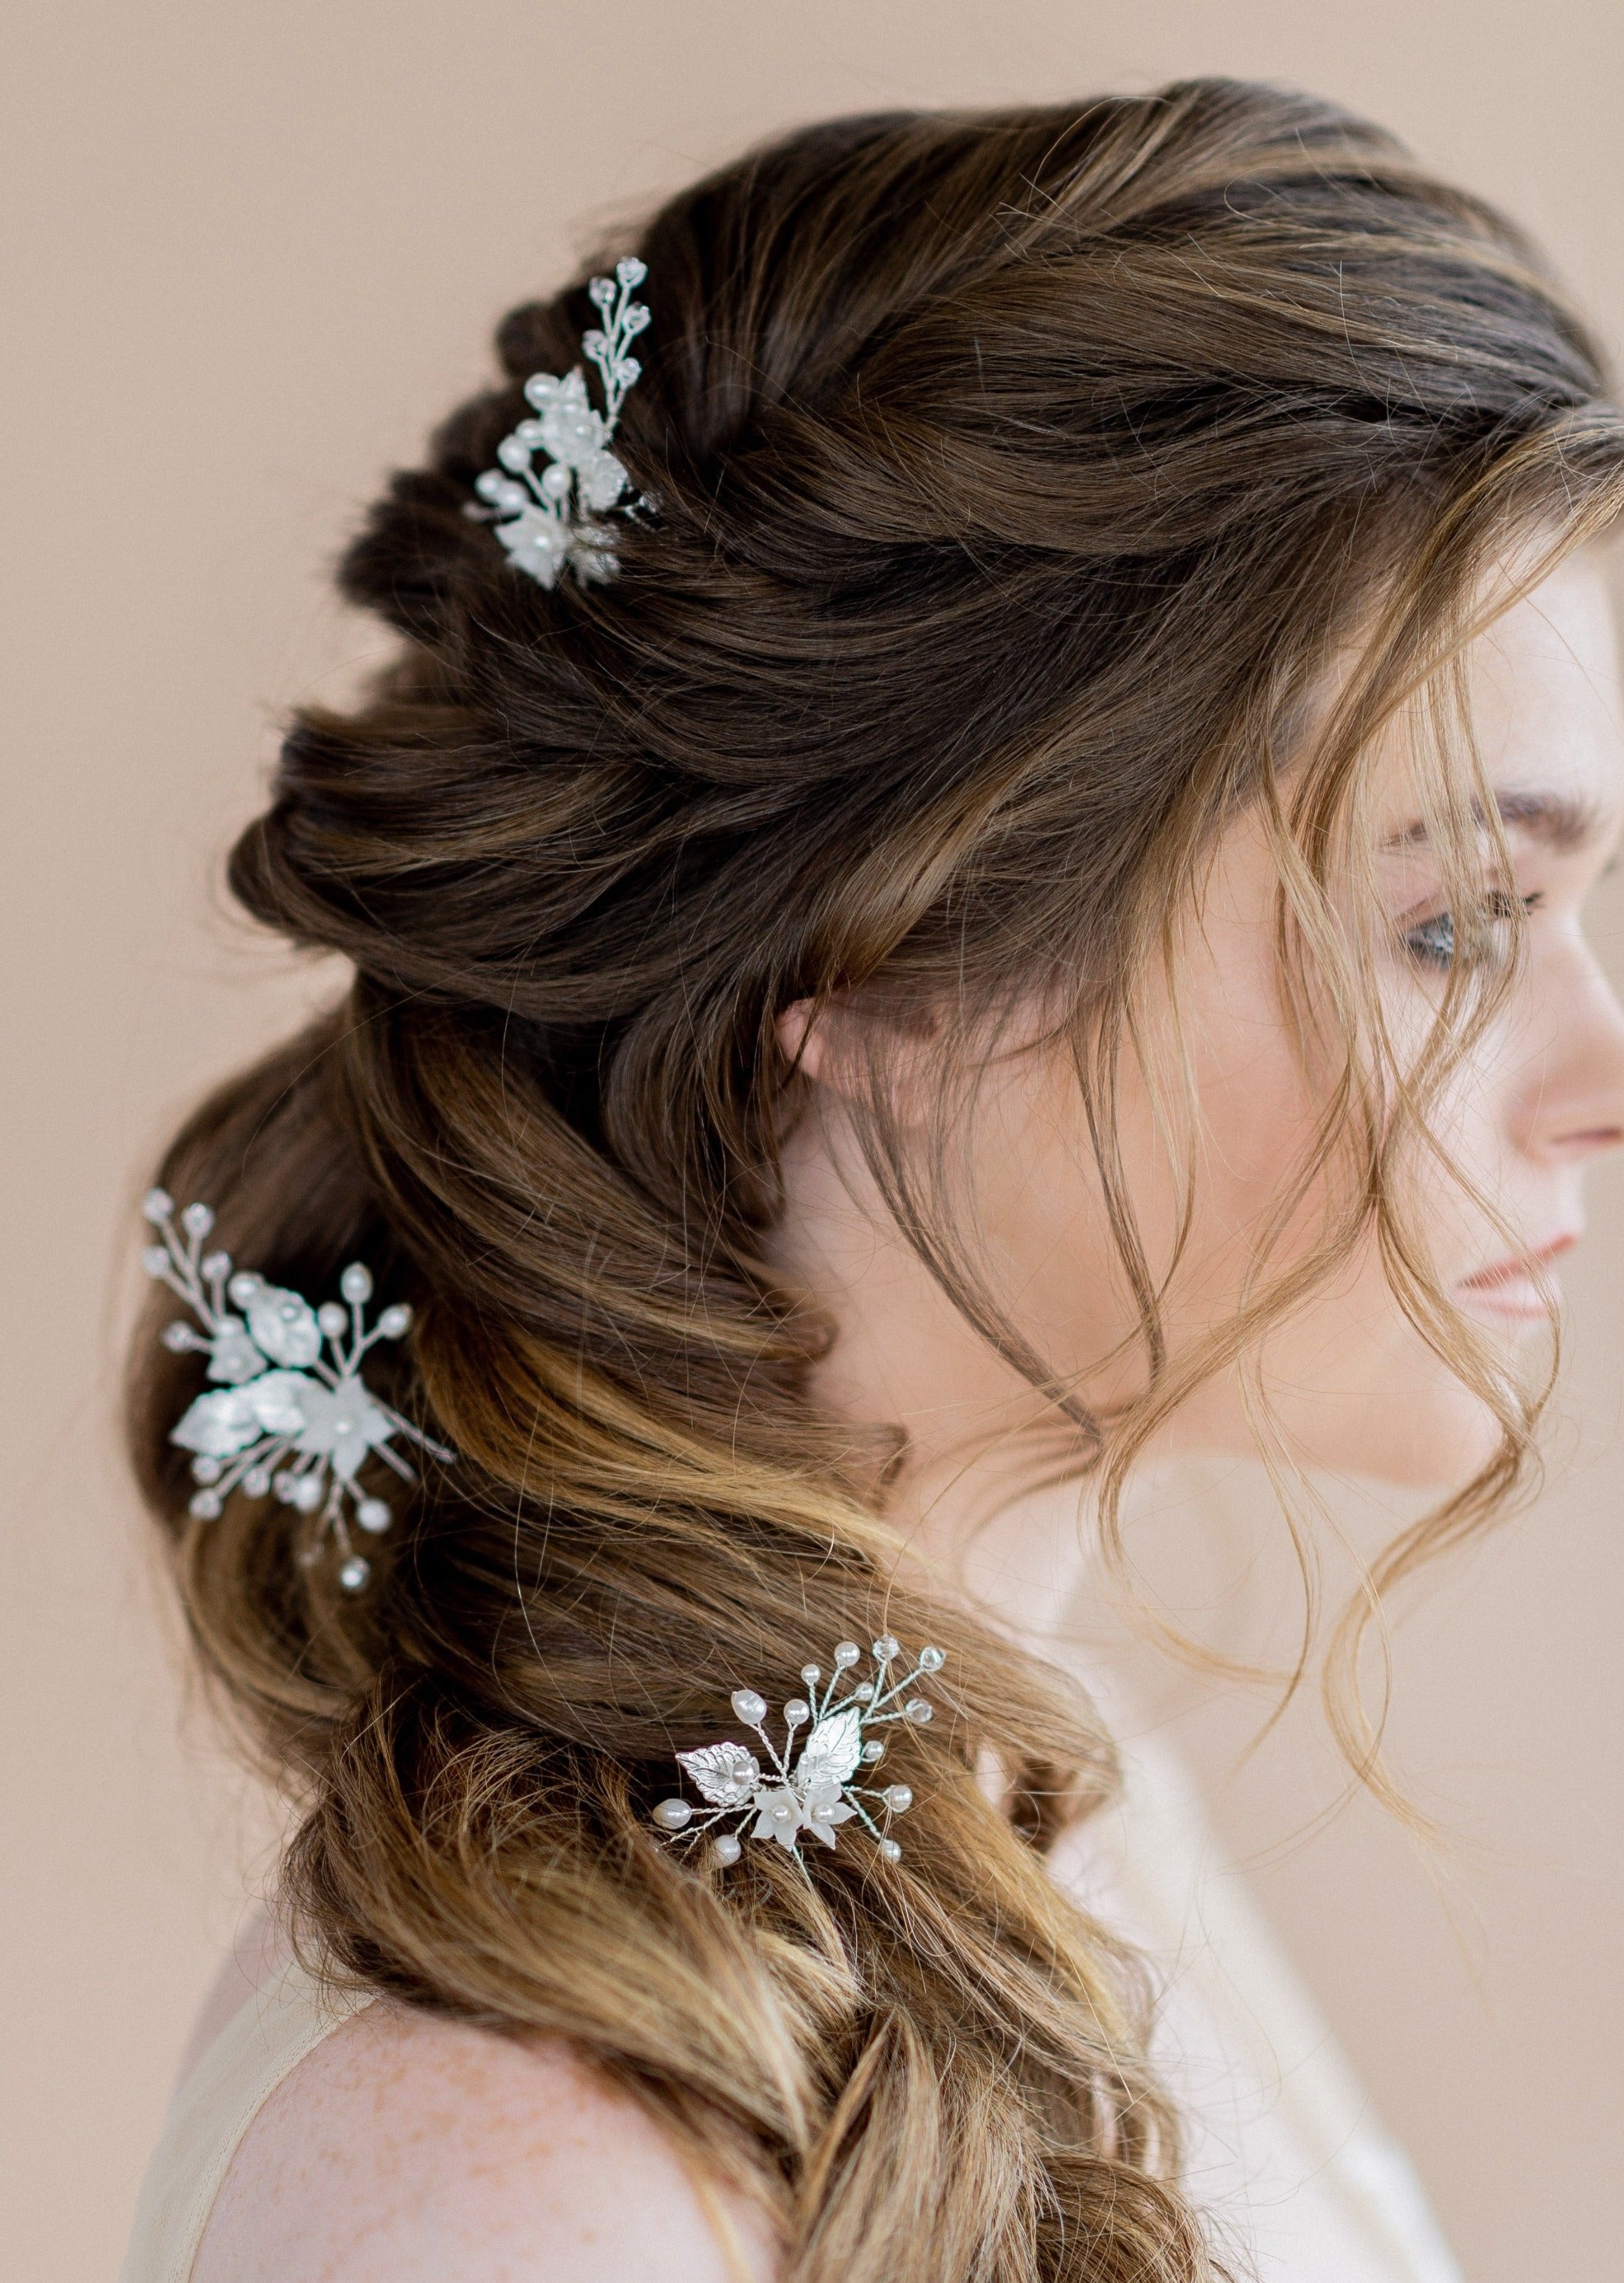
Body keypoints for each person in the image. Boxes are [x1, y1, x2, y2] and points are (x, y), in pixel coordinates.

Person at [120, 78, 1624, 2283]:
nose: (1596, 1068)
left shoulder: (1027, 1804)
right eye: (1442, 921)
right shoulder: (523, 2191)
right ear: (882, 943)